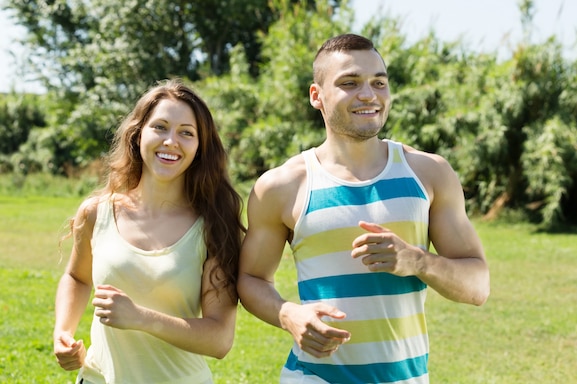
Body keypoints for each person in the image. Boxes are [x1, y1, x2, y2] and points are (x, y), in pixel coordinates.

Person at [237, 33, 490, 383]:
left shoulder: (428, 173)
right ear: (317, 96)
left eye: (379, 82)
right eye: (350, 83)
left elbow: (478, 286)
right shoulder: (282, 186)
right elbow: (250, 279)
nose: (369, 95)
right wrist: (288, 314)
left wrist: (417, 261)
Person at [53, 79, 245, 383]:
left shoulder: (213, 226)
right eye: (160, 127)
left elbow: (220, 339)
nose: (171, 141)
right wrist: (63, 331)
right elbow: (77, 277)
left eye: (186, 133)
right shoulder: (96, 212)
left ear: (200, 147)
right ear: (138, 133)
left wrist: (140, 318)